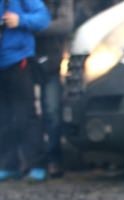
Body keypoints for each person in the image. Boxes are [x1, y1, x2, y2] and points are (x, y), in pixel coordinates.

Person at [0, 0, 50, 182]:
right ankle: (7, 165)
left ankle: (36, 164)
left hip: (18, 60)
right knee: (3, 117)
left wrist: (20, 20)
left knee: (26, 114)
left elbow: (43, 18)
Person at [34, 0, 75, 178]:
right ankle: (33, 160)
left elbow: (65, 24)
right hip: (25, 58)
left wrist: (29, 25)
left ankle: (53, 158)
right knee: (26, 114)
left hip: (51, 61)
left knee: (52, 111)